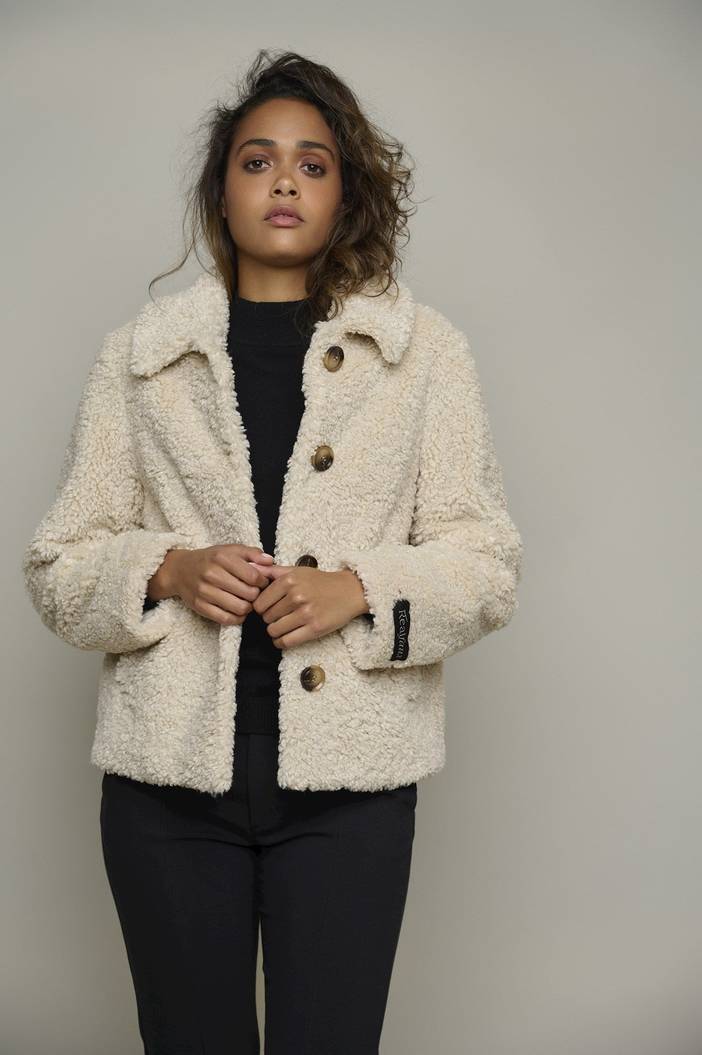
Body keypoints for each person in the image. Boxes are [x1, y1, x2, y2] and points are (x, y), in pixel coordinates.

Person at [22, 49, 523, 1054]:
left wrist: (362, 586)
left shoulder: (423, 355)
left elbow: (486, 561)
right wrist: (165, 570)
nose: (284, 181)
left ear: (345, 194)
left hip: (352, 795)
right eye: (257, 161)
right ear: (222, 190)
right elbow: (57, 565)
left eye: (312, 163)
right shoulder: (142, 357)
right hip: (166, 792)